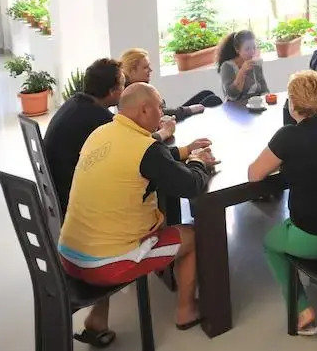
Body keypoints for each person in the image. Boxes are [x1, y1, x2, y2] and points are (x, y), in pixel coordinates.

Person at [58, 83, 216, 339]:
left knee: (107, 222)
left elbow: (151, 160)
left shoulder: (101, 133)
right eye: (160, 108)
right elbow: (190, 185)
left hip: (70, 256)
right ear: (144, 110)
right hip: (105, 265)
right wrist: (198, 161)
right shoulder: (145, 150)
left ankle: (97, 320)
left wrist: (186, 150)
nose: (162, 114)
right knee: (192, 235)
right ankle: (186, 311)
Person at [248, 70, 317, 336]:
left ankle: (302, 310)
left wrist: (284, 162)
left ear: (292, 104)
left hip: (312, 239)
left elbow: (254, 174)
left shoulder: (287, 136)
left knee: (270, 245)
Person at [43, 58, 126, 214]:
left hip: (56, 191)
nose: (124, 90)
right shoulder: (98, 117)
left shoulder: (74, 103)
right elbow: (133, 145)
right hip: (73, 199)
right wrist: (162, 133)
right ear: (112, 92)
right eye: (122, 86)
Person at [120, 47, 222, 120]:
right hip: (164, 124)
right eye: (145, 67)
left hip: (166, 117)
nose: (150, 70)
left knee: (206, 94)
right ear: (132, 71)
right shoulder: (132, 95)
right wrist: (191, 109)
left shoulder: (138, 88)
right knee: (213, 100)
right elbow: (161, 114)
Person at [216, 30, 270, 101]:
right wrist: (242, 71)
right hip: (235, 106)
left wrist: (266, 98)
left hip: (256, 104)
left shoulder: (256, 64)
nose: (252, 52)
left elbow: (265, 90)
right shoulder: (227, 66)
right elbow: (232, 95)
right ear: (237, 49)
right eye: (247, 49)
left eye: (254, 47)